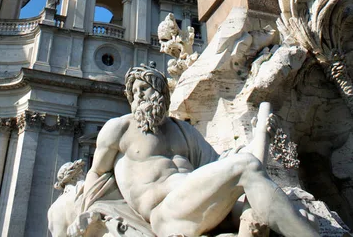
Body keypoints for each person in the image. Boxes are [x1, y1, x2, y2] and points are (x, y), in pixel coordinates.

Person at [68, 65, 318, 237]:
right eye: (133, 93)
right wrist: (86, 218)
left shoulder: (184, 131)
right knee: (246, 168)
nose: (138, 96)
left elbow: (220, 165)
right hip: (165, 213)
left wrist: (261, 134)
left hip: (202, 206)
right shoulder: (119, 128)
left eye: (144, 89)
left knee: (268, 211)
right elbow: (96, 176)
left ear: (160, 93)